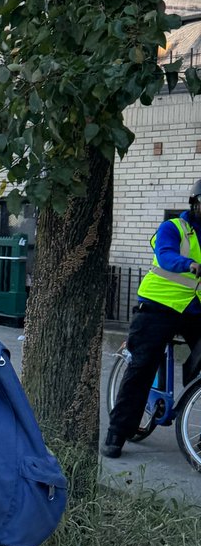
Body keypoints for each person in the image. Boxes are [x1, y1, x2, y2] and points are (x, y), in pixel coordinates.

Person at [104, 181, 201, 457]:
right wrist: (190, 264)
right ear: (195, 203)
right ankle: (117, 433)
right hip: (158, 306)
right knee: (142, 365)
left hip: (194, 311)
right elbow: (166, 256)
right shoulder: (173, 228)